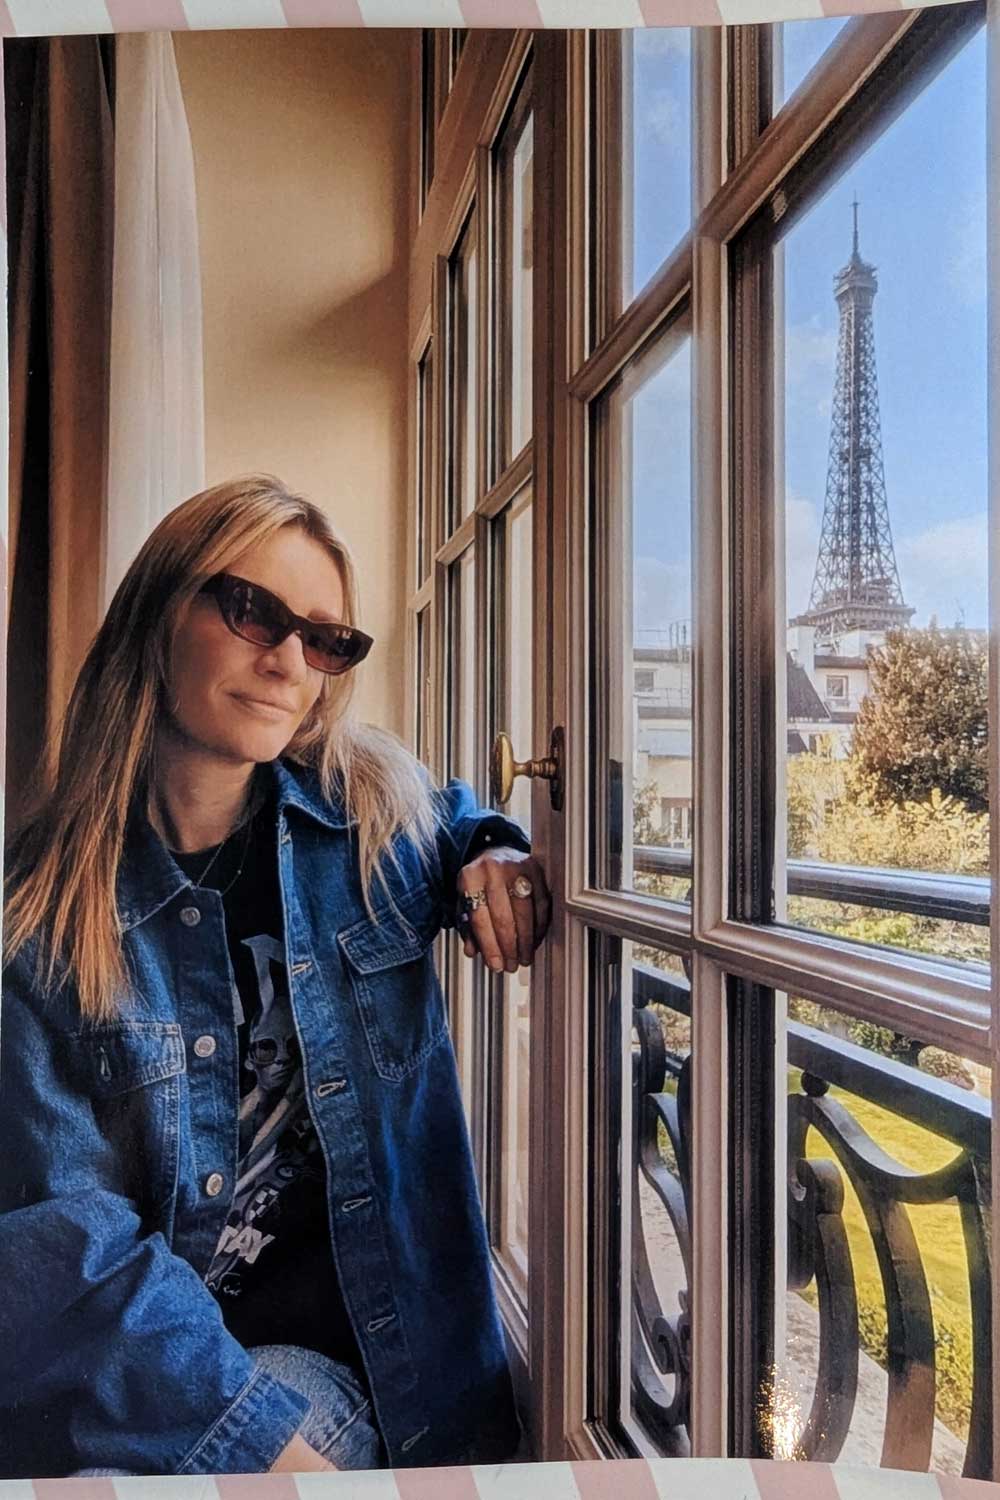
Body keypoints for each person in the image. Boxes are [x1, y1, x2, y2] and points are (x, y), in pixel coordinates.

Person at [0, 475, 551, 1478]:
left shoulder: (371, 818)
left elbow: (464, 814)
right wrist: (266, 1451)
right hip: (131, 1374)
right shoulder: (37, 913)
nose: (290, 660)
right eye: (253, 610)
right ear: (156, 614)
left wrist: (498, 851)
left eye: (328, 640)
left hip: (355, 1364)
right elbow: (63, 1239)